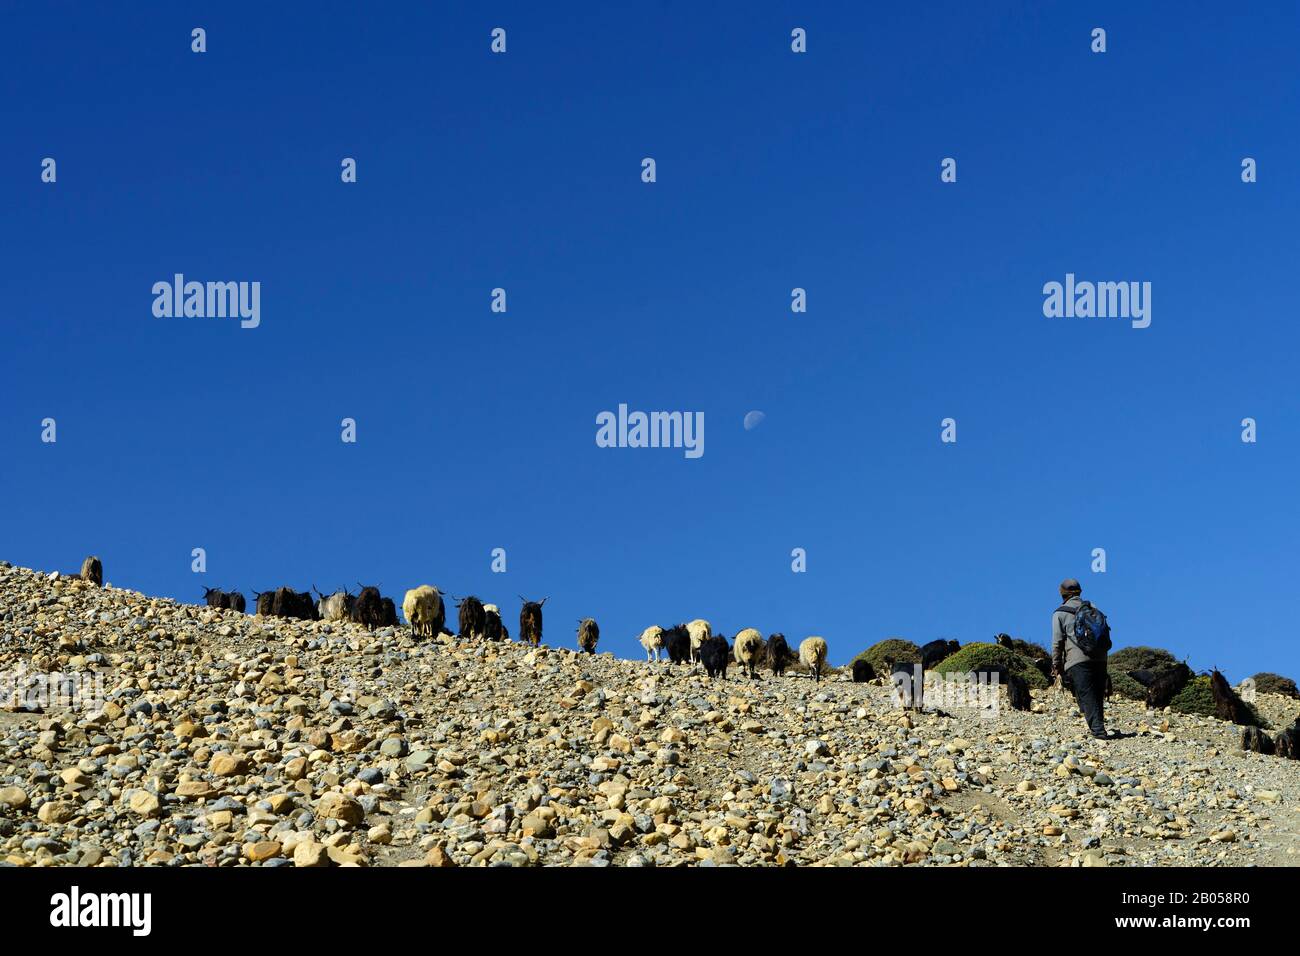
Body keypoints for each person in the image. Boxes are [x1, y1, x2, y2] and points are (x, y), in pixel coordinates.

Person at [1051, 578, 1110, 739]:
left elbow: (1057, 642)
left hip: (1077, 660)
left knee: (1085, 694)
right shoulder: (1093, 608)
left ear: (1062, 593)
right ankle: (1098, 726)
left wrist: (1056, 664)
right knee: (1096, 694)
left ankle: (1099, 732)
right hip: (1100, 658)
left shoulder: (1060, 613)